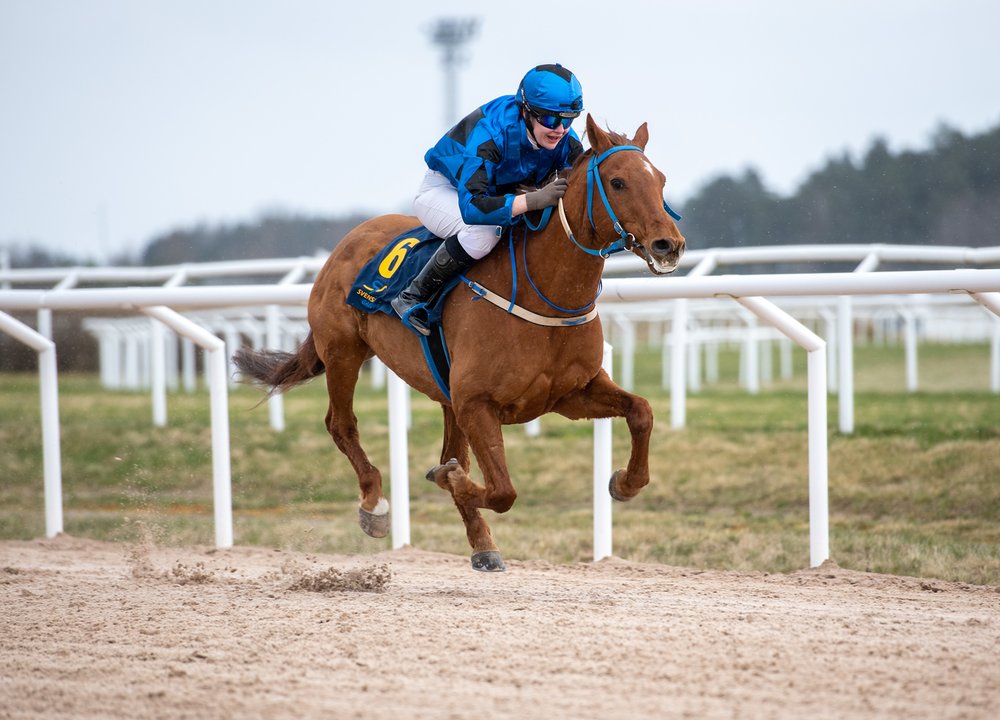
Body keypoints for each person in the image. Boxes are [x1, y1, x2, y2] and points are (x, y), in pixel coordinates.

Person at [391, 63, 585, 335]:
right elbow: (473, 207)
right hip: (445, 191)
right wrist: (533, 200)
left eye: (568, 120)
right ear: (526, 111)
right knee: (484, 233)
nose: (560, 130)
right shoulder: (491, 134)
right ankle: (413, 295)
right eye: (551, 120)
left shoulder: (565, 138)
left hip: (496, 193)